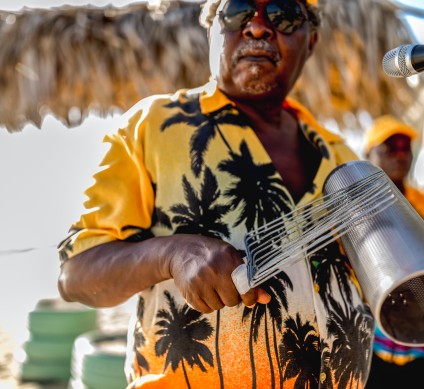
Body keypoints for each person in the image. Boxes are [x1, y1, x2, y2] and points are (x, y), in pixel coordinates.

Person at [57, 0, 375, 388]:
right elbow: (76, 274)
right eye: (238, 10)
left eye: (283, 14)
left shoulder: (341, 155)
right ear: (212, 31)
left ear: (310, 41)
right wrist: (173, 253)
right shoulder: (154, 125)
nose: (257, 27)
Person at [363, 114, 424, 389]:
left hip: (419, 343)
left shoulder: (421, 203)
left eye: (404, 147)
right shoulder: (351, 210)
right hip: (369, 345)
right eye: (389, 147)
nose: (399, 155)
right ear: (368, 154)